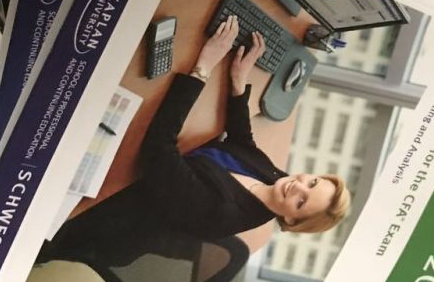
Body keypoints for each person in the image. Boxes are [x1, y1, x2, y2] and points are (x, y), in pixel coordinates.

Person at [39, 16, 350, 266]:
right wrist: (239, 82)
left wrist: (202, 68)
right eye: (312, 182)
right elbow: (242, 141)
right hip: (124, 171)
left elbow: (159, 150)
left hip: (89, 203)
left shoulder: (223, 213)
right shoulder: (275, 181)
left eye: (301, 202)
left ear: (291, 219)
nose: (298, 187)